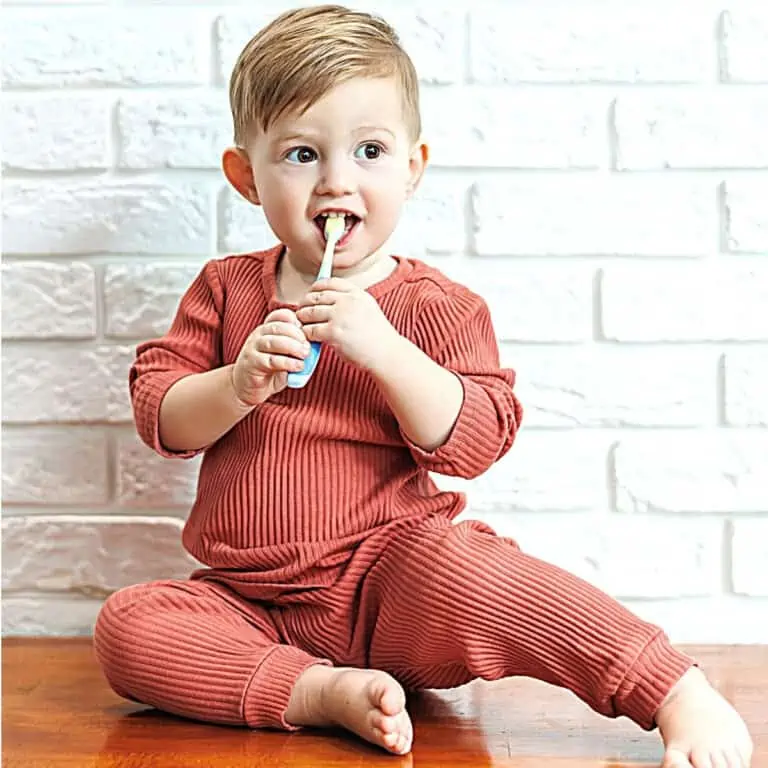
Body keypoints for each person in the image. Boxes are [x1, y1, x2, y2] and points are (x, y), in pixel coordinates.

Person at [94, 5, 753, 766]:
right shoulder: (226, 291)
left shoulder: (436, 307)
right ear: (247, 176)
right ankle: (316, 691)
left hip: (395, 582)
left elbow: (477, 439)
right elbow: (163, 417)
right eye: (302, 154)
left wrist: (384, 348)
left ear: (412, 167)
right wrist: (237, 384)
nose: (336, 180)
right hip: (248, 602)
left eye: (369, 150)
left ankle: (672, 689)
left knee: (482, 574)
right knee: (129, 624)